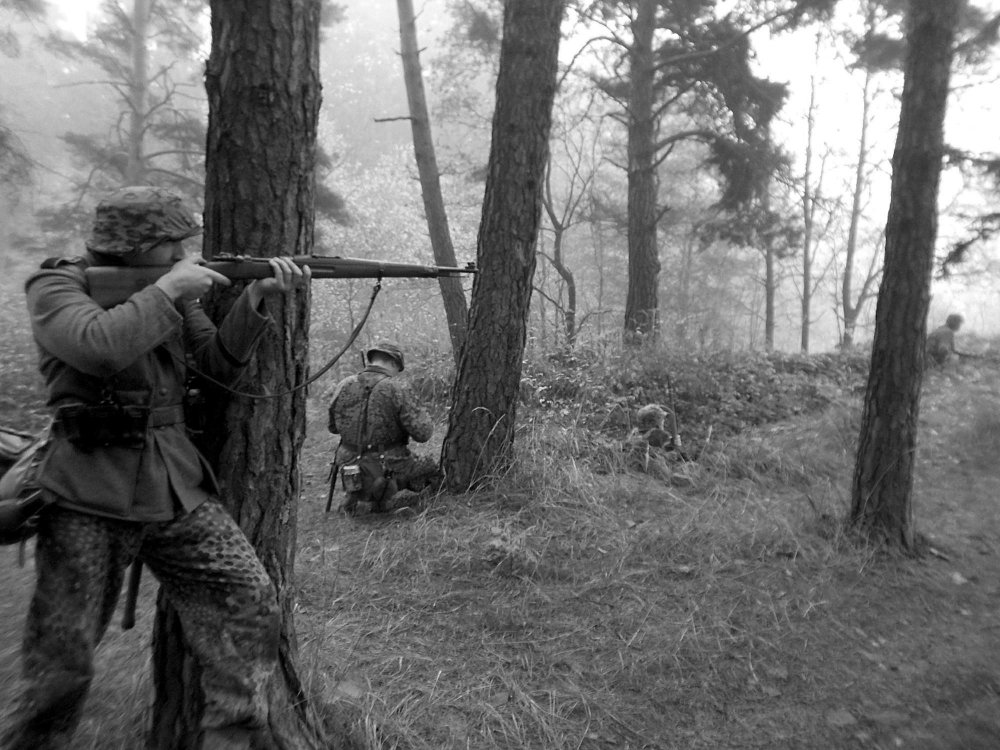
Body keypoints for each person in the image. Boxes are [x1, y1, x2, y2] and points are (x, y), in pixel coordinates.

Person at [1, 186, 306, 750]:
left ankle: (232, 734)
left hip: (173, 484)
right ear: (139, 245)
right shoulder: (57, 285)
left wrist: (255, 299)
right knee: (63, 655)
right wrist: (168, 291)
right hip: (87, 488)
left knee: (246, 594)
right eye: (172, 244)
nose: (182, 255)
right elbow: (97, 347)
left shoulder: (170, 290)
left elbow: (216, 369)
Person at [327, 342, 439, 514]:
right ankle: (386, 500)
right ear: (394, 363)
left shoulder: (344, 384)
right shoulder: (396, 388)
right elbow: (423, 433)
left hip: (348, 462)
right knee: (431, 466)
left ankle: (359, 498)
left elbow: (332, 427)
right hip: (387, 463)